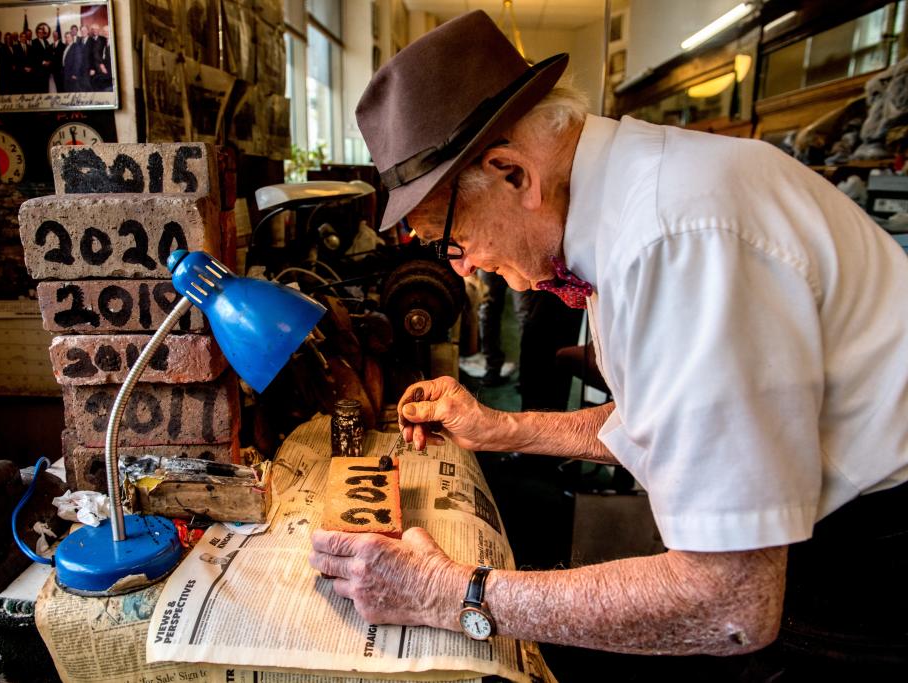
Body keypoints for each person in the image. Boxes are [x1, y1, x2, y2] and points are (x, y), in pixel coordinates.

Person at [308, 10, 908, 677]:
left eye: (450, 235)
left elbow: (732, 605)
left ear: (512, 174)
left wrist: (450, 594)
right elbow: (671, 425)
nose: (462, 265)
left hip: (877, 565)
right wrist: (501, 427)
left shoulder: (671, 239)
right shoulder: (631, 202)